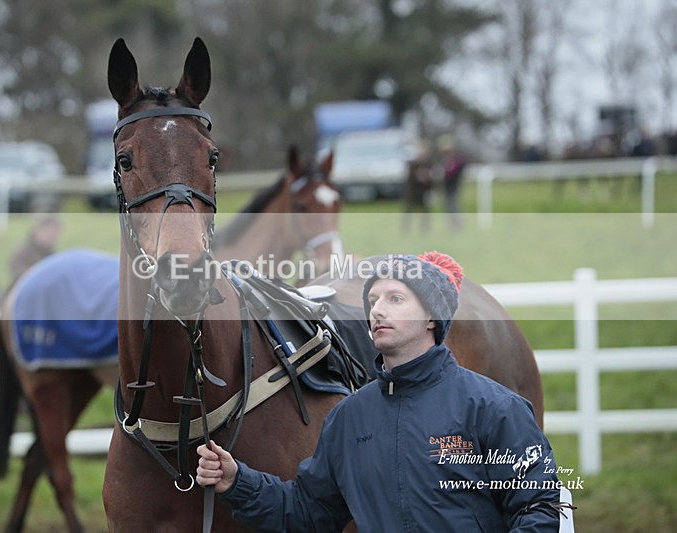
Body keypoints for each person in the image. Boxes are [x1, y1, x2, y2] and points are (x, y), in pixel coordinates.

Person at [197, 252, 572, 531]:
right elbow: (308, 513)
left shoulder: (496, 408)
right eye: (372, 301)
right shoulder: (348, 417)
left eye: (394, 299)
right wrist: (237, 481)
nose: (377, 311)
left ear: (431, 317)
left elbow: (540, 507)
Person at [9, 214, 61, 282]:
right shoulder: (25, 250)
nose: (54, 236)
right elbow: (16, 271)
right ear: (39, 230)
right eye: (50, 231)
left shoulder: (51, 253)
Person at [436, 135, 466, 231]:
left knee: (454, 207)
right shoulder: (443, 160)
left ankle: (457, 227)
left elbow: (455, 171)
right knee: (448, 208)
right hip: (446, 188)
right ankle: (451, 227)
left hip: (453, 187)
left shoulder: (456, 160)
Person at [402, 140, 433, 231]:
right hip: (413, 190)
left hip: (424, 191)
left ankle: (425, 228)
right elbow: (411, 177)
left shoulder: (428, 163)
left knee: (425, 210)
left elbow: (431, 178)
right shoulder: (413, 163)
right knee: (409, 209)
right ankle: (406, 228)